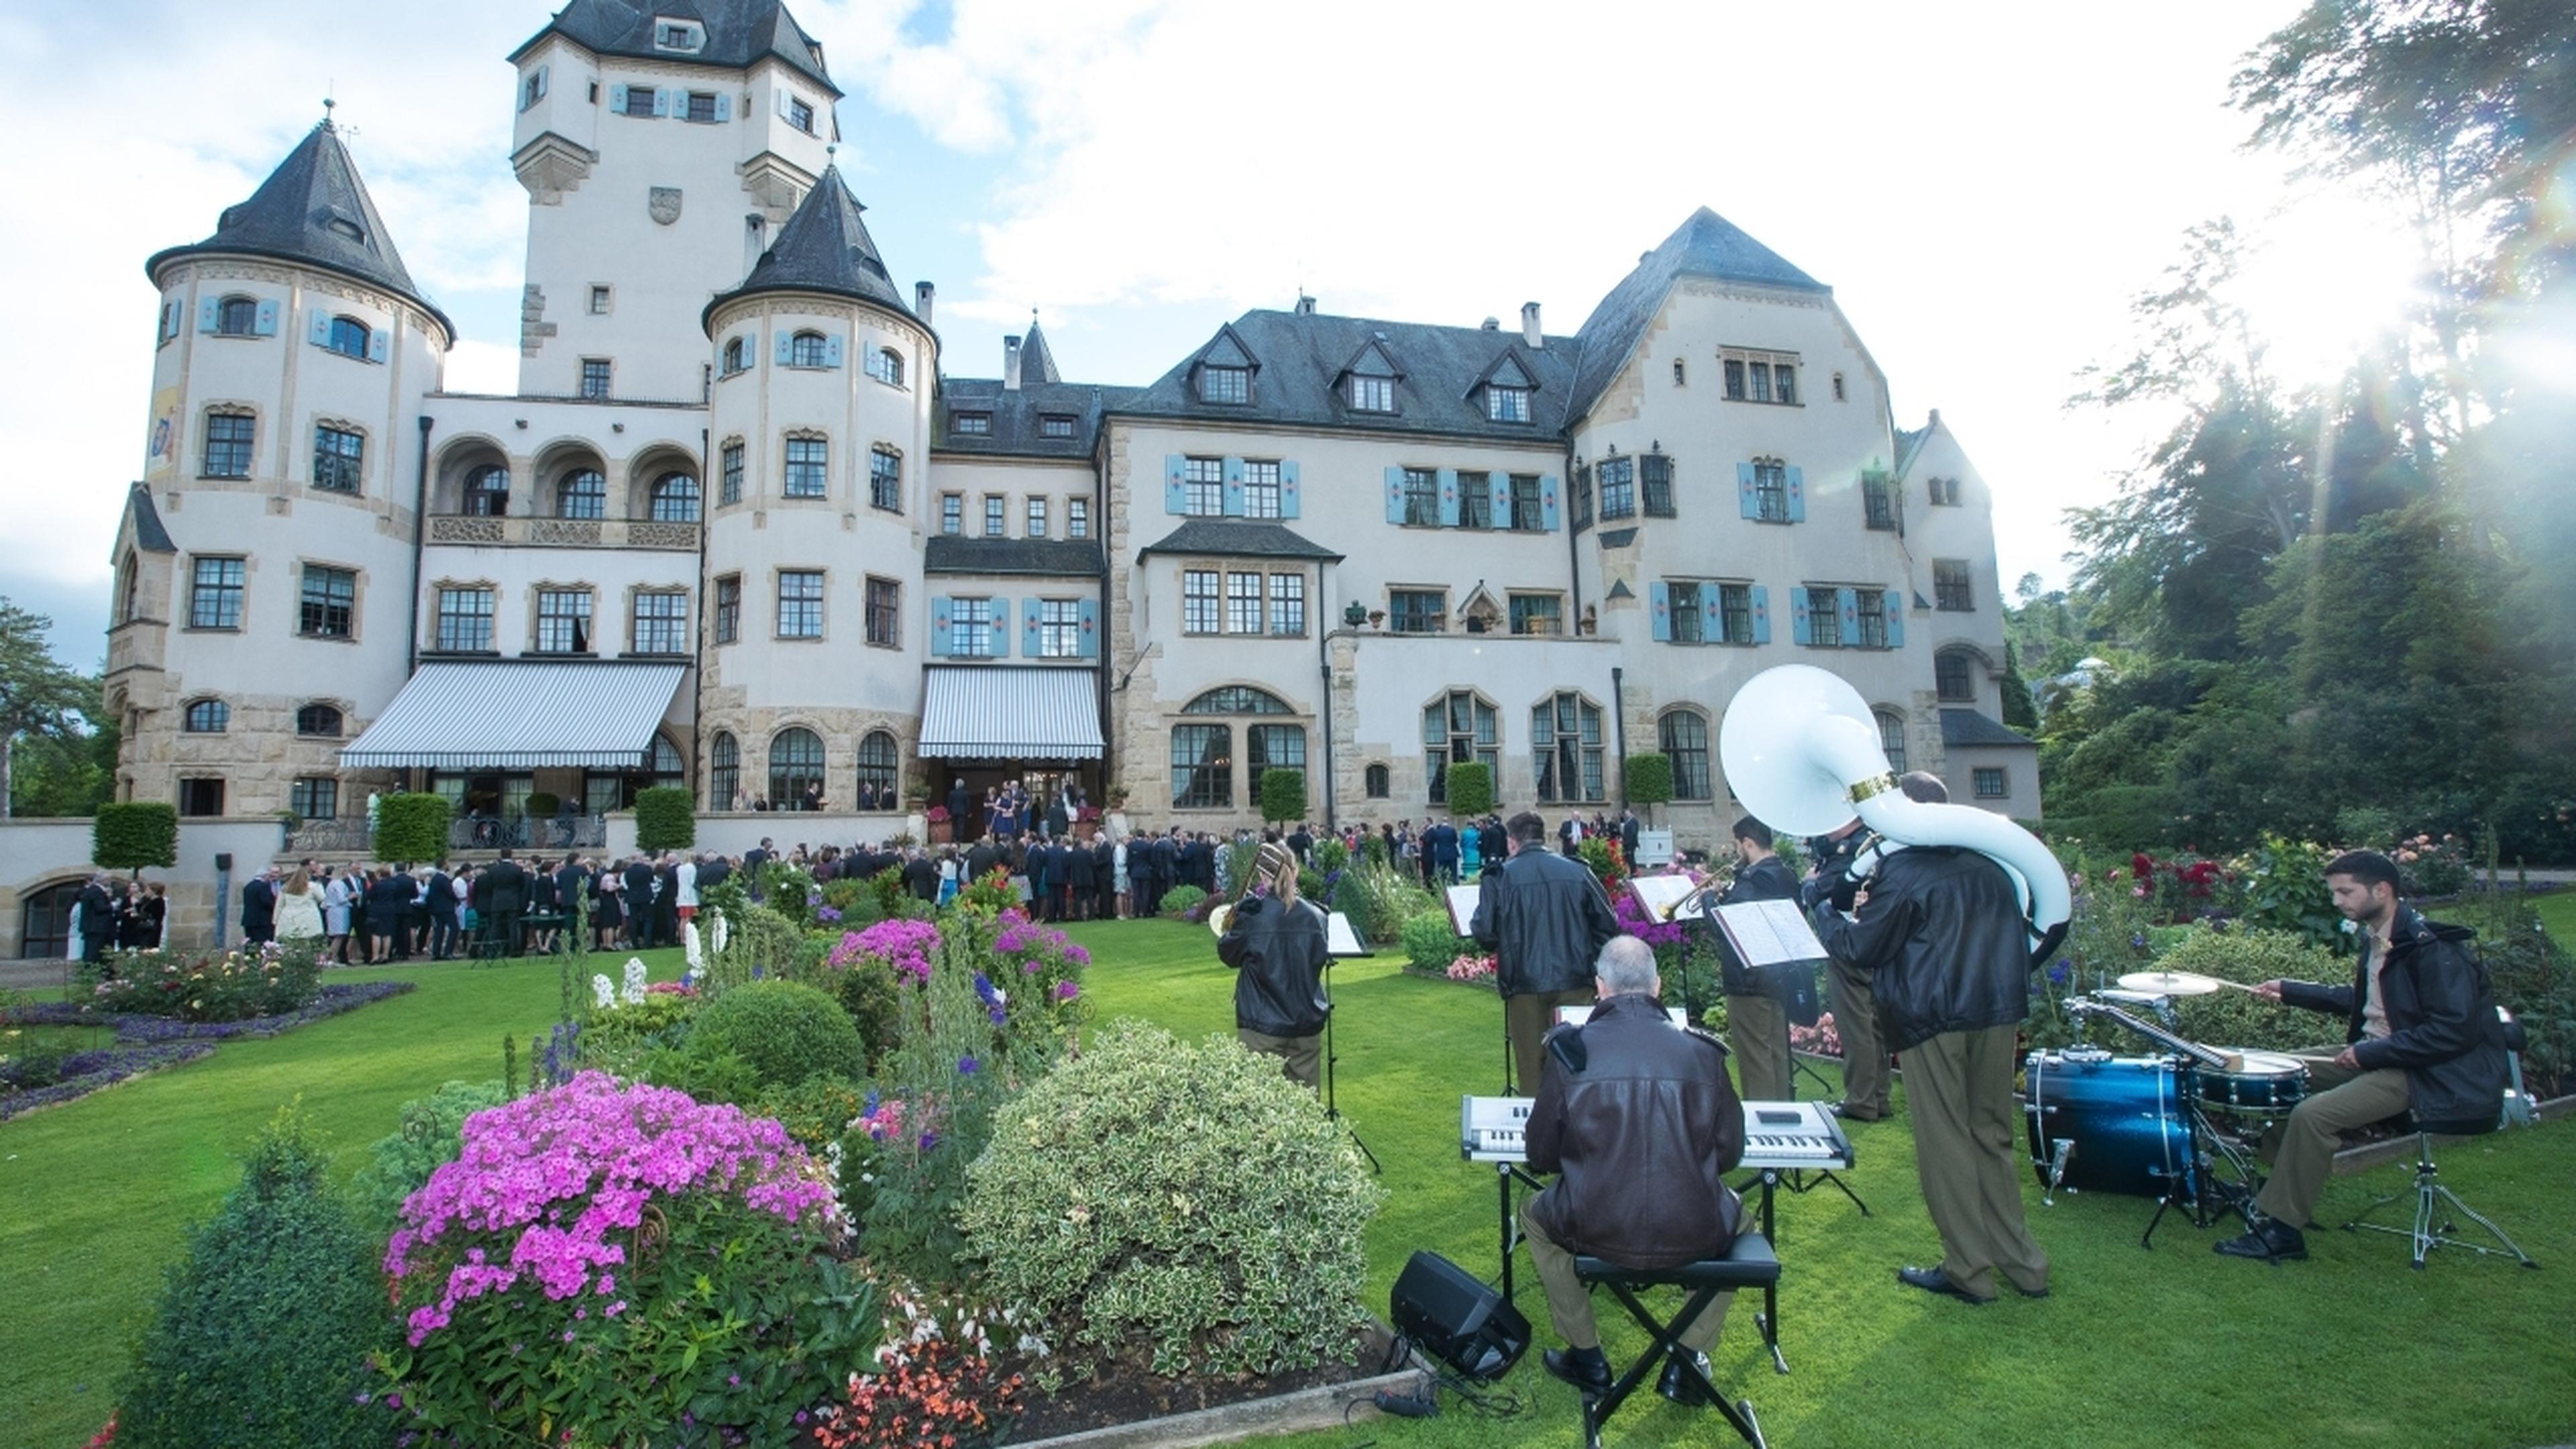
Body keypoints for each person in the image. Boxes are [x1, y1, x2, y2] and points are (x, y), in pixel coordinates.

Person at [1813, 771, 2049, 1305]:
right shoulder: (1990, 865)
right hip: (1997, 1011)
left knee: (1945, 1140)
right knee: (1991, 1134)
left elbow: (1861, 947)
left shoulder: (1906, 871)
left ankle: (1969, 1268)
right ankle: (2024, 1265)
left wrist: (1825, 912)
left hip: (1934, 1018)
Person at [2216, 850, 2511, 1263]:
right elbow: (2369, 1001)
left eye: (2345, 892)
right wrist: (2291, 990)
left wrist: (2374, 1052)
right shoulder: (2379, 939)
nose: (2338, 901)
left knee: (2313, 1115)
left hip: (2422, 1070)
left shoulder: (2434, 951)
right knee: (2274, 1074)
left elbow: (2453, 1031)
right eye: (2335, 892)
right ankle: (2276, 1193)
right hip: (2383, 1052)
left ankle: (2282, 1233)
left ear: (2382, 890)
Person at [1523, 935, 1747, 1406]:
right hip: (1693, 1226)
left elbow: (1540, 1156)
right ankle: (1688, 1355)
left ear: (1600, 988)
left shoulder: (1570, 1052)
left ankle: (1587, 1355)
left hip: (1593, 1224)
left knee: (1533, 1216)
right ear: (1658, 986)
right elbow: (1729, 1154)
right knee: (1743, 1221)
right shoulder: (1705, 1053)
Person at [1472, 810, 1621, 1093]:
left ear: (1512, 842)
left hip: (1525, 984)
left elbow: (1486, 934)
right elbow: (1607, 925)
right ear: (1543, 837)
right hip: (1575, 980)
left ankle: (1541, 1131)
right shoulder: (1577, 870)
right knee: (1578, 1065)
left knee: (1532, 1072)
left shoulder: (1500, 876)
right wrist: (1590, 961)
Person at [1218, 843, 1332, 1089]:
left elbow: (1228, 955)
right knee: (1305, 1106)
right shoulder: (1317, 916)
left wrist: (1238, 919)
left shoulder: (1253, 917)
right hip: (1306, 1021)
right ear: (1296, 872)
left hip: (1262, 1024)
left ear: (1263, 875)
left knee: (1262, 1108)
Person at [1803, 816, 1887, 1122]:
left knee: (1855, 1025)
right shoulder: (1872, 841)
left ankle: (1861, 1101)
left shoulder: (1848, 850)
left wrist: (1810, 883)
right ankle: (1879, 1097)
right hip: (1872, 942)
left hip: (1848, 943)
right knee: (1873, 1024)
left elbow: (1825, 894)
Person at [1715, 817, 1802, 1102]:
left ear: (1748, 843)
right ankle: (1784, 1114)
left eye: (1738, 845)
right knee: (1775, 1050)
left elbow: (1726, 928)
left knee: (1755, 1058)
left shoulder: (1753, 880)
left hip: (1749, 980)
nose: (1737, 851)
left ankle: (1765, 1119)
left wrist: (1708, 902)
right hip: (1778, 975)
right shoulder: (1786, 874)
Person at [477, 849, 531, 957]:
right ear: (511, 855)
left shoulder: (493, 870)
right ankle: (514, 950)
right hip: (512, 900)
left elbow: (491, 884)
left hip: (497, 901)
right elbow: (522, 885)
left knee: (495, 926)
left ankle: (492, 950)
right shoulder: (517, 870)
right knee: (513, 927)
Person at [275, 866, 325, 945]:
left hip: (289, 916)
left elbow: (279, 905)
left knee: (291, 941)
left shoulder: (286, 887)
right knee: (307, 941)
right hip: (308, 916)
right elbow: (322, 898)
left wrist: (276, 920)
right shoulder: (312, 887)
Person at [423, 861, 460, 960]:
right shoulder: (443, 879)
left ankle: (436, 952)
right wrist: (457, 900)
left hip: (437, 909)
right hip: (446, 908)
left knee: (439, 930)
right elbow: (450, 892)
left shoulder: (434, 879)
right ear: (444, 865)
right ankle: (448, 952)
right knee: (454, 928)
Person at [239, 868, 277, 947]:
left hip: (249, 921)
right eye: (268, 877)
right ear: (265, 876)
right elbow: (266, 902)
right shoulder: (263, 886)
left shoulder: (248, 886)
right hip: (262, 921)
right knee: (264, 944)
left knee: (251, 944)